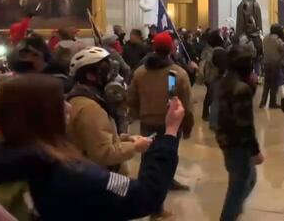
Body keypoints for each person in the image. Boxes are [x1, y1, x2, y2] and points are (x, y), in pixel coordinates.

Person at [0, 74, 185, 221]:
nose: (68, 105)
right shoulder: (70, 173)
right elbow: (145, 196)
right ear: (40, 114)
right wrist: (170, 132)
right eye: (59, 101)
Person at [128, 31, 194, 197]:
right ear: (171, 49)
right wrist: (187, 126)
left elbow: (131, 97)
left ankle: (161, 182)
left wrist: (135, 113)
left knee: (148, 156)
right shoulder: (177, 73)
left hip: (147, 121)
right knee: (168, 155)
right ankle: (155, 197)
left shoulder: (140, 72)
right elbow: (186, 103)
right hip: (170, 122)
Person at [66, 47, 151, 174]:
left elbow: (94, 139)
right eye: (106, 71)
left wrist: (126, 138)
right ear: (90, 76)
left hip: (87, 174)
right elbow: (103, 154)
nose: (111, 76)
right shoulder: (91, 108)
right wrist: (135, 146)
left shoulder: (79, 99)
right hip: (98, 179)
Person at [215, 45, 263, 221]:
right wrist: (255, 151)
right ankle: (229, 215)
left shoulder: (226, 81)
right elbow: (245, 125)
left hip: (226, 138)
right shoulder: (240, 88)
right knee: (239, 186)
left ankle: (234, 211)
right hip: (237, 143)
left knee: (247, 179)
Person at [200, 30, 228, 121]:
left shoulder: (210, 51)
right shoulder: (220, 52)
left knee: (209, 96)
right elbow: (223, 66)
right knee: (215, 97)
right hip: (216, 77)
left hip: (209, 77)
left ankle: (205, 114)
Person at [260, 24, 284, 109]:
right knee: (273, 85)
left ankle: (262, 102)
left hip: (266, 64)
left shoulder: (265, 38)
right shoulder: (277, 40)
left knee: (266, 85)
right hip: (275, 64)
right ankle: (272, 103)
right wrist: (281, 57)